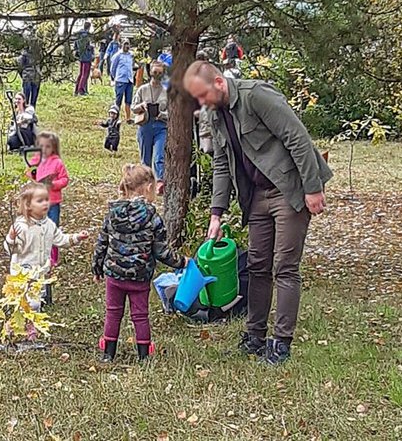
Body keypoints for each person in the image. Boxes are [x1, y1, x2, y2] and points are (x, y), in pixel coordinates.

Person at [183, 61, 333, 365]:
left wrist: (313, 188)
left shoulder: (257, 95)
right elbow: (223, 165)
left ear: (219, 82)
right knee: (257, 265)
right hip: (257, 196)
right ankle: (254, 337)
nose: (201, 103)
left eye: (203, 95)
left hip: (289, 189)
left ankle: (281, 343)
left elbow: (297, 138)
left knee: (285, 267)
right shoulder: (215, 115)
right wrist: (216, 214)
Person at [93, 165, 188, 362]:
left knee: (113, 312)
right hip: (139, 275)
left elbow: (102, 242)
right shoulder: (152, 216)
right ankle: (144, 355)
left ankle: (108, 353)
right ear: (148, 187)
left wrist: (97, 267)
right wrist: (182, 262)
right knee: (140, 315)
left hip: (114, 274)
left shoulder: (113, 213)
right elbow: (161, 251)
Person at [4, 182, 89, 313]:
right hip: (23, 274)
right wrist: (11, 238)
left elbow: (61, 240)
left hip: (40, 272)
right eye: (40, 201)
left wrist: (77, 237)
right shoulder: (22, 226)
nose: (45, 203)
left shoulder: (48, 224)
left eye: (46, 199)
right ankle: (22, 329)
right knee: (28, 303)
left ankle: (28, 328)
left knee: (37, 300)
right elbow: (11, 251)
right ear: (28, 205)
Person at [30, 131, 69, 269]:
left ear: (53, 147)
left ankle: (53, 258)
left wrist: (54, 184)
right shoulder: (36, 160)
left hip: (53, 202)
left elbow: (65, 179)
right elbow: (30, 173)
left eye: (47, 146)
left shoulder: (57, 162)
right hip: (38, 202)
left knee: (52, 229)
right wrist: (32, 175)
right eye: (41, 146)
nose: (44, 149)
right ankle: (38, 255)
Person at [131, 61, 169, 193]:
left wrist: (161, 114)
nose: (157, 75)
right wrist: (142, 106)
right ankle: (145, 183)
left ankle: (159, 182)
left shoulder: (166, 92)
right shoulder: (143, 89)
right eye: (155, 72)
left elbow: (172, 113)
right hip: (145, 125)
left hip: (161, 126)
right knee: (145, 157)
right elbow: (133, 108)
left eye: (160, 73)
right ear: (150, 72)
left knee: (159, 156)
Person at [108, 41, 135, 118]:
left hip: (129, 79)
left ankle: (128, 117)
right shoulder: (117, 55)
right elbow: (112, 68)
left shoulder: (131, 55)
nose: (127, 46)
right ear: (121, 45)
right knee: (118, 99)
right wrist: (115, 77)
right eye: (125, 44)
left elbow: (132, 65)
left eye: (128, 44)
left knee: (128, 100)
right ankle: (115, 116)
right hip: (120, 80)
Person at [74, 22, 94, 96]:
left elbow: (75, 46)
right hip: (87, 56)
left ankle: (77, 89)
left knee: (81, 73)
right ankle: (81, 90)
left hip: (81, 56)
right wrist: (91, 48)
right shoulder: (86, 36)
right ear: (89, 27)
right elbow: (88, 46)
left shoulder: (79, 35)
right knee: (85, 74)